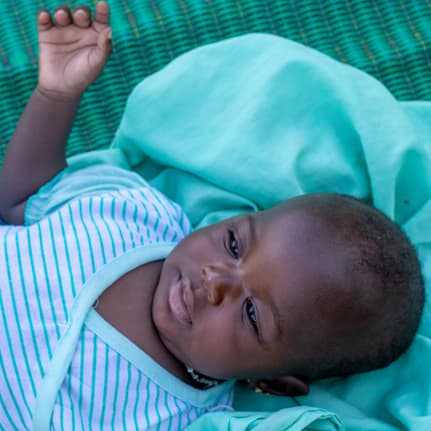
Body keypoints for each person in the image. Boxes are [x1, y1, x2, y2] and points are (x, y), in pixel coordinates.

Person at [0, 3, 424, 430]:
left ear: (272, 382)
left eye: (253, 314)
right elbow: (19, 199)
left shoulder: (169, 419)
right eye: (234, 244)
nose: (216, 281)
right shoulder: (135, 212)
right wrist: (56, 96)